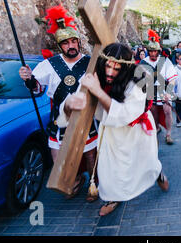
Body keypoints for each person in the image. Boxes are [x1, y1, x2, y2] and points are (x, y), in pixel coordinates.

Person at [57, 43, 169, 216]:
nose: (110, 72)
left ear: (125, 69)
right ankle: (113, 197)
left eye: (117, 68)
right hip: (110, 132)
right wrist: (68, 104)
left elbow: (125, 114)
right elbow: (78, 97)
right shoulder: (97, 74)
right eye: (108, 66)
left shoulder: (139, 80)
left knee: (145, 162)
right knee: (111, 168)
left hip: (136, 131)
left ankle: (157, 173)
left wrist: (99, 92)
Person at [18, 4, 99, 202]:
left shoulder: (91, 62)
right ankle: (74, 180)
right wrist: (28, 78)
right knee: (60, 157)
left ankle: (94, 182)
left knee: (89, 155)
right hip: (60, 119)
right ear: (59, 46)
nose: (70, 45)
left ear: (79, 42)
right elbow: (36, 87)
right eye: (65, 43)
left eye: (73, 41)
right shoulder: (48, 65)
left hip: (85, 117)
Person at [139, 30, 178, 145]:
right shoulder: (143, 63)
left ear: (158, 51)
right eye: (151, 51)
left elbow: (172, 79)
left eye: (155, 51)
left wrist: (168, 93)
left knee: (167, 111)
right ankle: (156, 128)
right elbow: (140, 82)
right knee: (153, 112)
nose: (153, 54)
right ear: (148, 51)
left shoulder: (165, 61)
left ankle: (168, 134)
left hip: (165, 90)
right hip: (150, 91)